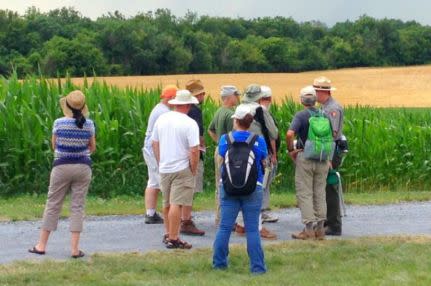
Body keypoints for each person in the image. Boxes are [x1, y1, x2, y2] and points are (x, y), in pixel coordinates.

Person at [29, 90, 96, 258]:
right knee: (77, 207)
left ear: (66, 105)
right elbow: (92, 147)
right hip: (83, 167)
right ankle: (74, 249)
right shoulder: (89, 124)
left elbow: (54, 145)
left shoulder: (58, 123)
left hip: (61, 167)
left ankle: (41, 245)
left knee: (53, 204)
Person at [213, 104, 267, 274]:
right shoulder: (258, 140)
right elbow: (264, 161)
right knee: (252, 229)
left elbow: (220, 159)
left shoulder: (225, 139)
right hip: (253, 188)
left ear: (236, 120)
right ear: (250, 122)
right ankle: (257, 267)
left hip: (228, 188)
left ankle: (219, 264)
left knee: (224, 227)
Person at [152, 89, 200, 249]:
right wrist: (193, 169)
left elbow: (155, 143)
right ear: (187, 105)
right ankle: (174, 238)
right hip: (182, 167)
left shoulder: (162, 119)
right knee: (176, 203)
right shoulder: (190, 123)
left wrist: (160, 161)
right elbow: (194, 150)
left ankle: (168, 233)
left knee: (166, 203)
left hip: (165, 167)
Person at [285, 86, 330, 240]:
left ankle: (308, 229)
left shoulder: (301, 115)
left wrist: (291, 149)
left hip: (305, 157)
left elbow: (290, 133)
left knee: (305, 193)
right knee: (320, 193)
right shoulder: (325, 114)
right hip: (323, 158)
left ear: (302, 100)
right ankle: (320, 230)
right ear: (315, 100)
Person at [238, 84, 277, 240]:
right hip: (259, 154)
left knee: (243, 188)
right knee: (258, 190)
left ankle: (241, 224)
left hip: (240, 153)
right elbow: (273, 132)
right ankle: (258, 226)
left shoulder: (240, 109)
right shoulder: (260, 110)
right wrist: (273, 154)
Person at [314, 76, 345, 236]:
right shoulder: (325, 107)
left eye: (316, 91)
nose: (314, 94)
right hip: (326, 149)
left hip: (331, 150)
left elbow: (332, 135)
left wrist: (328, 158)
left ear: (322, 92)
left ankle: (334, 225)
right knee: (324, 187)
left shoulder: (332, 108)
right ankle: (326, 221)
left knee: (330, 186)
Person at [142, 85, 178, 224]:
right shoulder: (164, 113)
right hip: (154, 149)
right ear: (170, 98)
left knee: (153, 181)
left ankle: (150, 213)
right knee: (163, 180)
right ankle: (171, 213)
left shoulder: (159, 108)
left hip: (148, 148)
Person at [208, 85, 240, 225]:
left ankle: (219, 217)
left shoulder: (219, 111)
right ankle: (226, 220)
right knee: (228, 184)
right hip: (229, 153)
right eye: (235, 95)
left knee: (219, 183)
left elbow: (211, 130)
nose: (238, 97)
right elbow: (235, 135)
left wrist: (219, 143)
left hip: (219, 151)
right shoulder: (230, 114)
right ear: (229, 97)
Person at [180, 79, 206, 236]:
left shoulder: (183, 111)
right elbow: (197, 134)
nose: (204, 96)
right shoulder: (195, 111)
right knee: (191, 187)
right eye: (202, 93)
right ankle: (186, 220)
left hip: (182, 154)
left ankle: (183, 216)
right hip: (192, 153)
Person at [258, 85, 280, 223]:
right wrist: (274, 154)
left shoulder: (251, 111)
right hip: (265, 153)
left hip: (257, 152)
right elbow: (273, 135)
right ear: (269, 98)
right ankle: (263, 211)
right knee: (265, 182)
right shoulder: (264, 112)